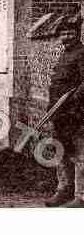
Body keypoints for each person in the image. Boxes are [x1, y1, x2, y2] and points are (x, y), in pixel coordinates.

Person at [44, 15, 84, 208]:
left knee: (79, 153)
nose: (67, 36)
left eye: (70, 32)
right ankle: (63, 190)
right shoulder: (63, 54)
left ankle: (81, 196)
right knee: (60, 151)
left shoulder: (81, 53)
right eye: (63, 33)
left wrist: (73, 102)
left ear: (77, 33)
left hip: (76, 113)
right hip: (59, 112)